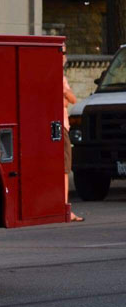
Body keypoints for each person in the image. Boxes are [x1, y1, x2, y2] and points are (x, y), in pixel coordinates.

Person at [63, 44, 84, 222]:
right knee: (64, 168)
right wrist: (66, 93)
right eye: (62, 52)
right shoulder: (59, 76)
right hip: (61, 126)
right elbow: (72, 99)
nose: (65, 57)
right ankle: (65, 207)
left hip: (61, 125)